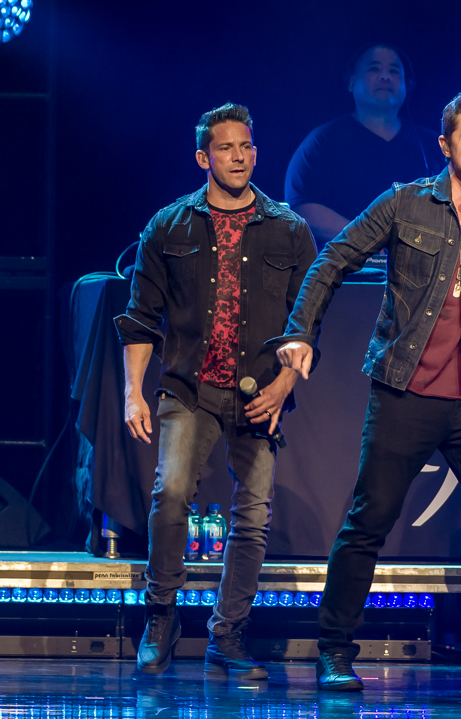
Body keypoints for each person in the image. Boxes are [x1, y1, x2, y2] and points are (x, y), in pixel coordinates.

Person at [275, 89, 461, 694]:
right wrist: (301, 331)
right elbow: (333, 260)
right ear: (445, 145)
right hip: (406, 390)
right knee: (368, 522)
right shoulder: (406, 202)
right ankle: (334, 650)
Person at [115, 103, 317, 678]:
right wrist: (133, 393)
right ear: (203, 157)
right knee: (172, 493)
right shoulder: (169, 226)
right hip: (189, 387)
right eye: (226, 148)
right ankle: (161, 616)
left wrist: (283, 384)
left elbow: (307, 323)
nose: (239, 157)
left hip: (259, 392)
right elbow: (140, 318)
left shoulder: (288, 228)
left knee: (252, 514)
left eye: (246, 146)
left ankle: (228, 633)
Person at [285, 43, 440, 246]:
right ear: (351, 83)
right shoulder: (322, 142)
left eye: (394, 71)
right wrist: (365, 239)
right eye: (374, 69)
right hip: (346, 263)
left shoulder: (434, 145)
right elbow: (302, 204)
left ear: (407, 85)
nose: (385, 76)